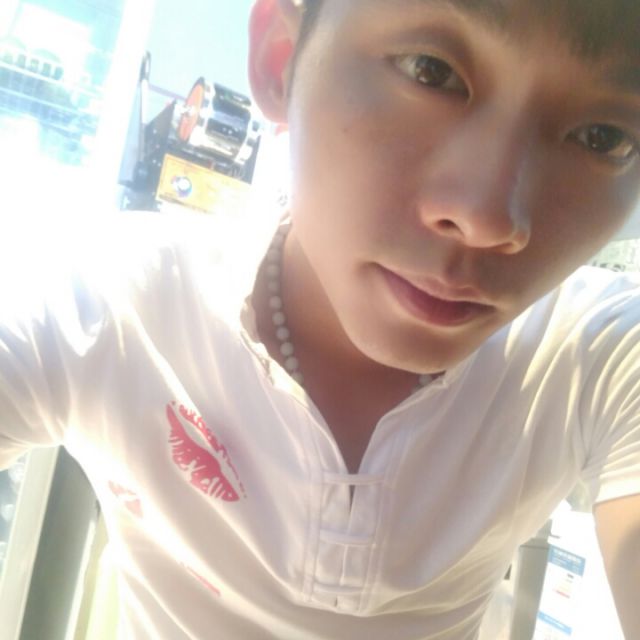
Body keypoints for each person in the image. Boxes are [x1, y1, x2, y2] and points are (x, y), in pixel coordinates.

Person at [1, 0, 639, 638]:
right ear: (280, 61)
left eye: (604, 137)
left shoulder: (594, 353)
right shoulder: (112, 306)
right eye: (431, 71)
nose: (489, 218)